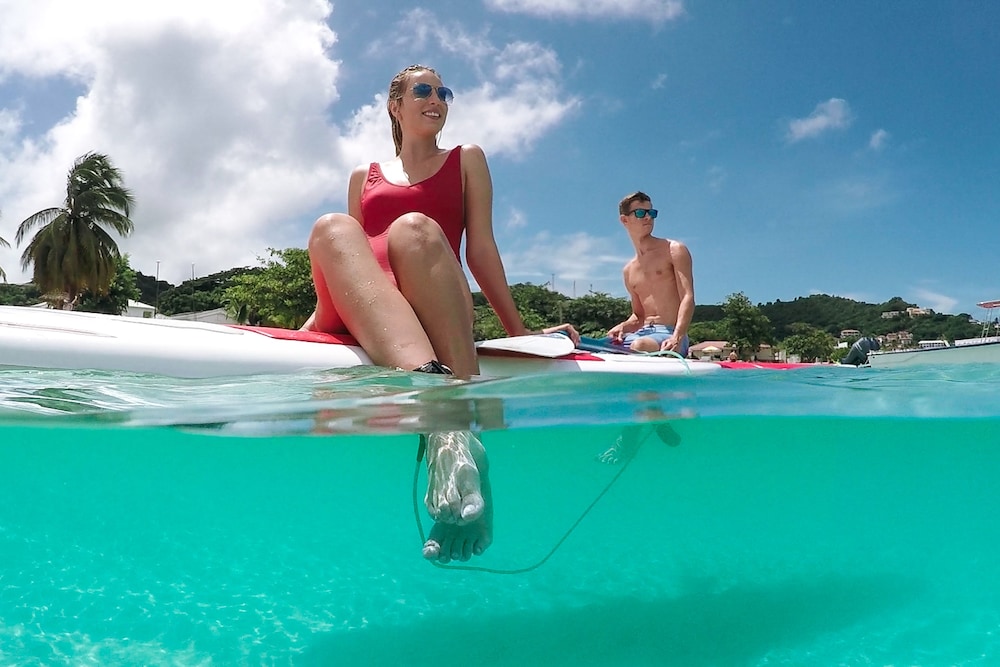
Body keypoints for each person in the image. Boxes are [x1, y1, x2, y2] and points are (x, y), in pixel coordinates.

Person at [302, 64, 578, 564]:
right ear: (396, 106)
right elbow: (350, 257)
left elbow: (481, 251)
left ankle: (447, 434)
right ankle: (452, 429)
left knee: (415, 229)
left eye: (443, 92)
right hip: (362, 308)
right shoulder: (363, 175)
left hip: (432, 306)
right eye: (424, 91)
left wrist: (519, 332)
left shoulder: (466, 159)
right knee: (331, 227)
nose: (437, 99)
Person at [607, 191, 694, 356]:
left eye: (651, 213)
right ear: (624, 220)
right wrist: (623, 326)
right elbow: (639, 316)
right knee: (599, 346)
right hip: (640, 334)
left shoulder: (673, 250)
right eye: (640, 213)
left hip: (670, 333)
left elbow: (687, 297)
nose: (648, 217)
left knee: (638, 346)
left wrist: (677, 336)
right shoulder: (629, 270)